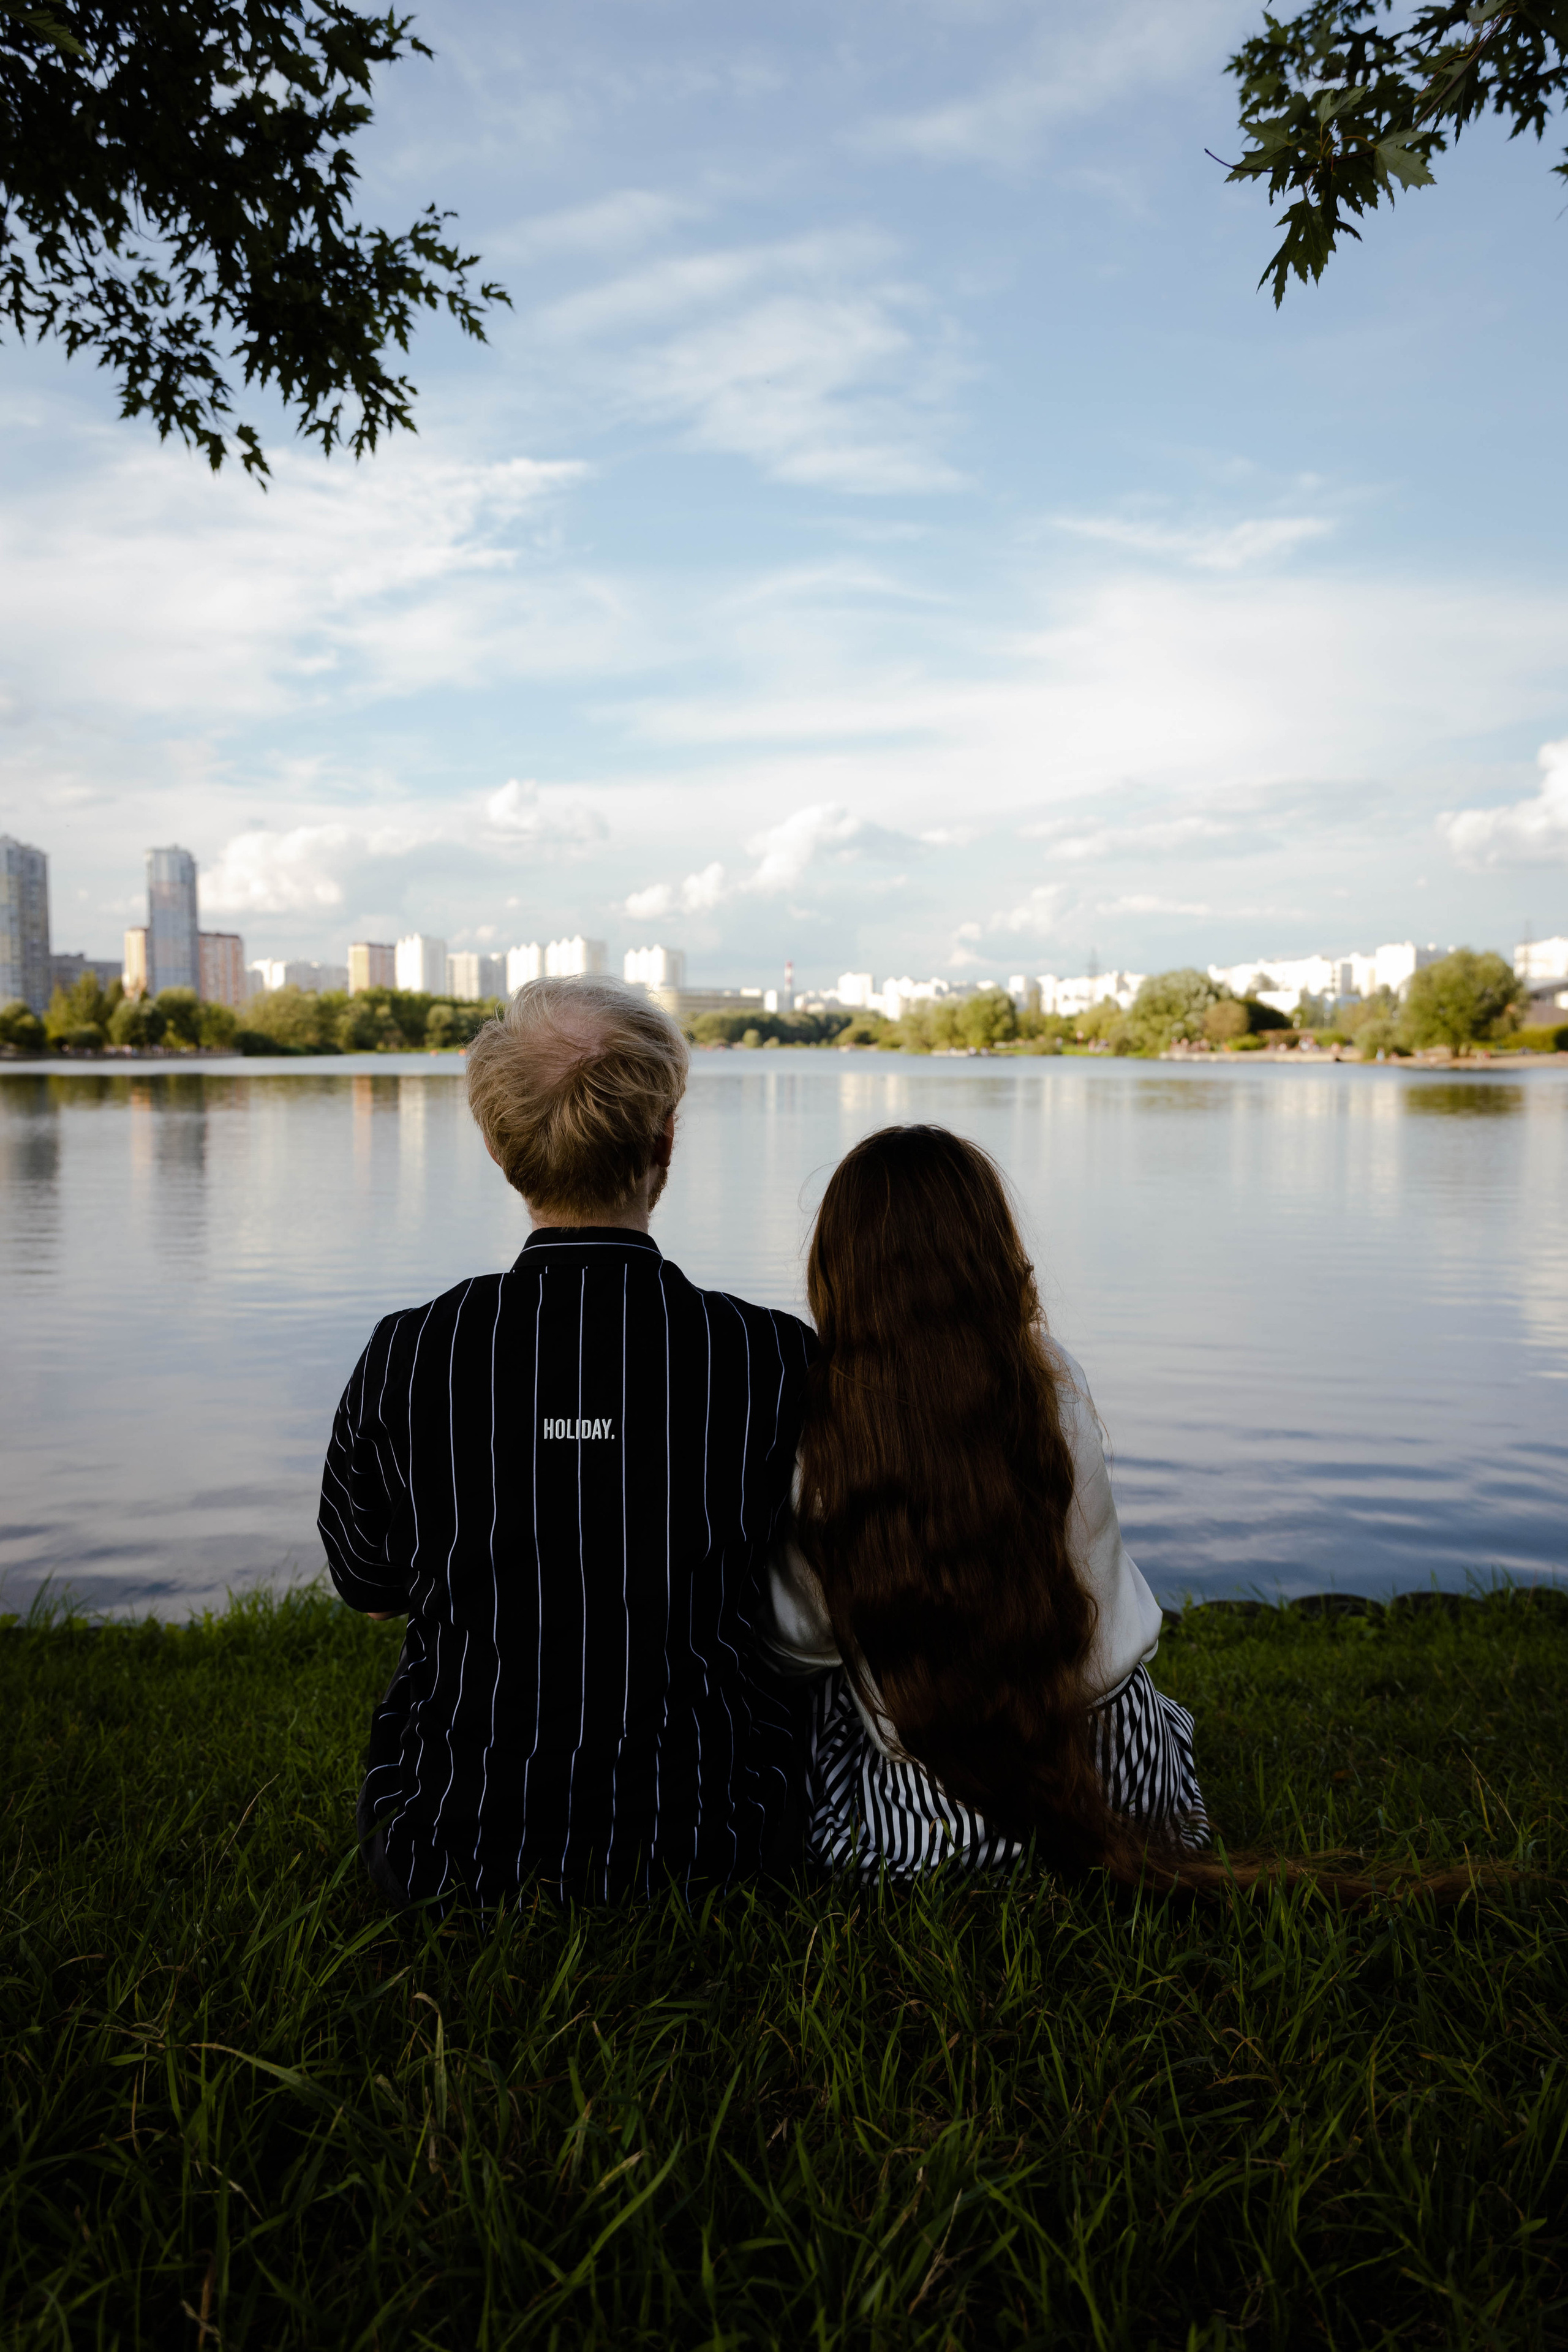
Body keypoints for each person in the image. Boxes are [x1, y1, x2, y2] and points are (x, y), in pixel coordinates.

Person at [318, 974, 815, 1909]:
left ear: (500, 1146)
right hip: (719, 1839)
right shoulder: (771, 1356)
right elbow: (816, 1590)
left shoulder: (410, 1351)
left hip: (441, 1845)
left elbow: (368, 1585)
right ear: (666, 1140)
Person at [766, 1123, 1209, 1882]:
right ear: (988, 1250)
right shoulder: (1050, 1375)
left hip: (942, 1817)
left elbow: (800, 1643)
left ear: (838, 1267)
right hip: (1122, 1772)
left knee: (801, 1719)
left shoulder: (824, 1426)